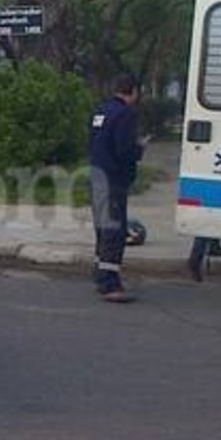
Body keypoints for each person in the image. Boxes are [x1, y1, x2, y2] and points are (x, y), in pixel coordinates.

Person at [89, 76, 149, 302]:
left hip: (96, 174)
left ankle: (100, 274)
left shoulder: (101, 110)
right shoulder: (125, 114)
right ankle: (109, 284)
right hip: (113, 179)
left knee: (103, 228)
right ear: (133, 91)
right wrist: (139, 148)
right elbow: (123, 149)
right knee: (114, 231)